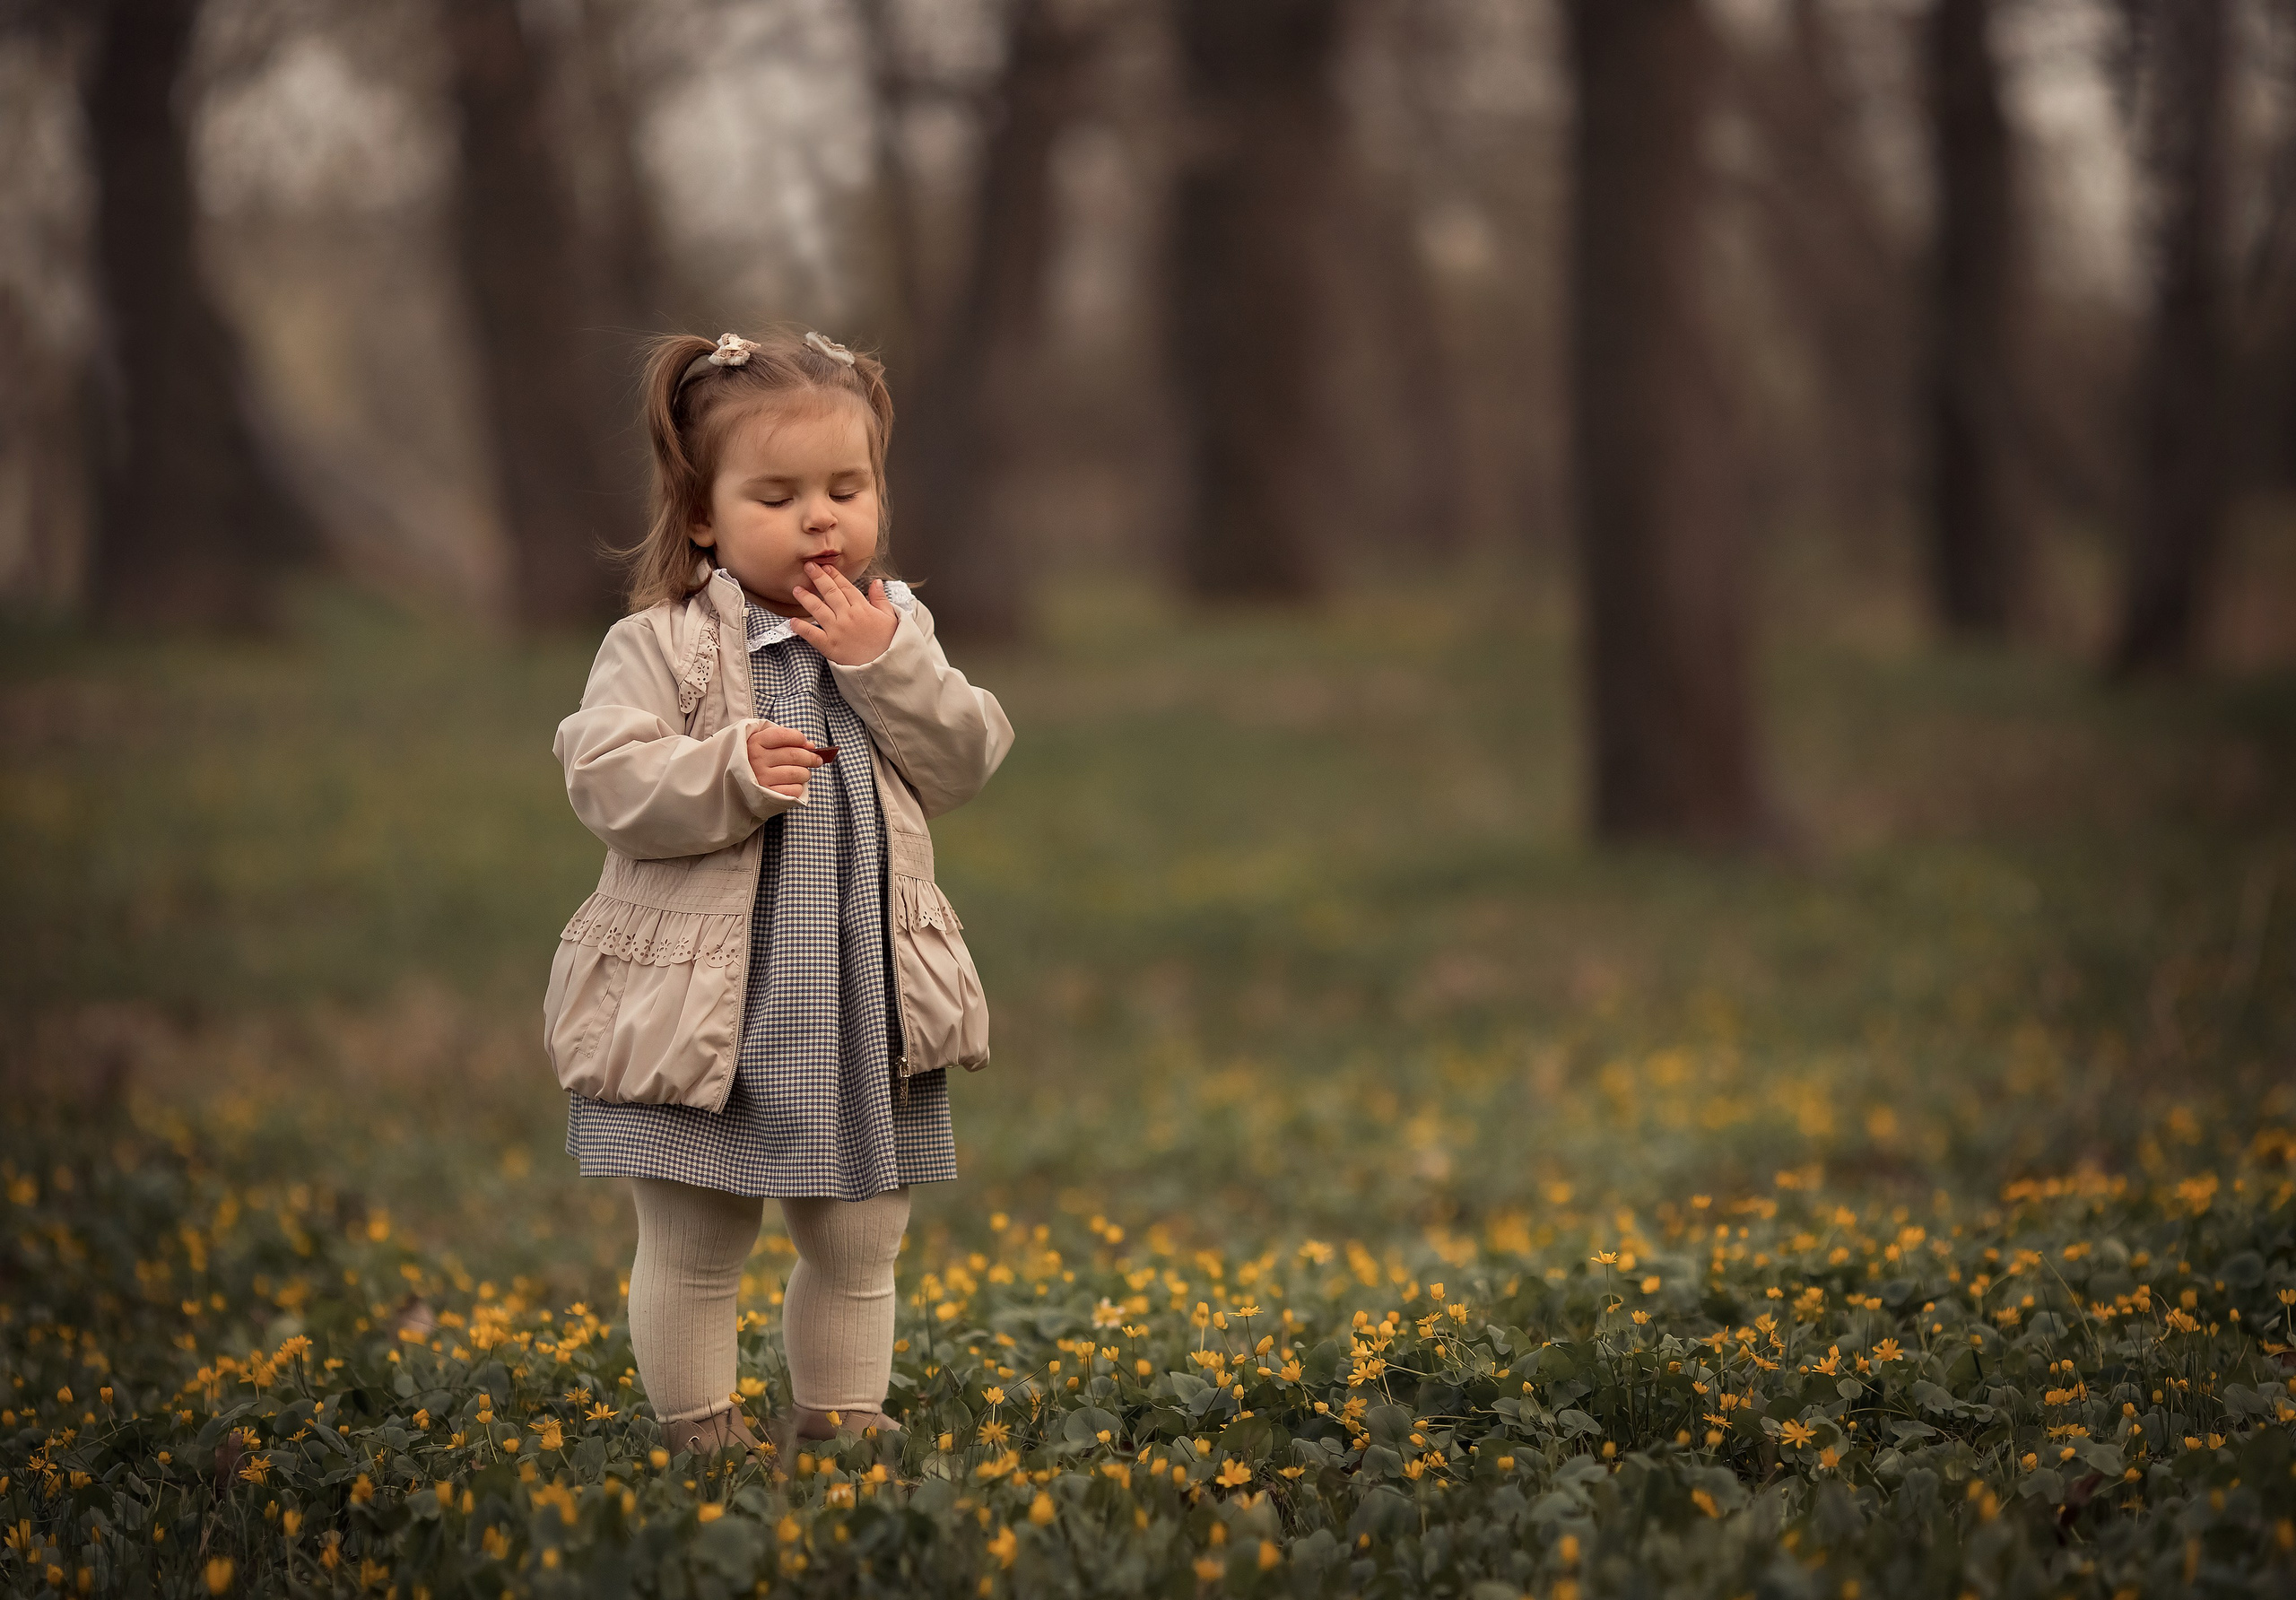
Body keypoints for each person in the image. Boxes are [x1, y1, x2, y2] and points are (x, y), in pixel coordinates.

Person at [541, 326, 1012, 1462]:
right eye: (778, 495)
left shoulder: (894, 630)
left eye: (847, 488)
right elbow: (602, 777)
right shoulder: (660, 643)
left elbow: (965, 758)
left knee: (860, 1236)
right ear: (702, 513)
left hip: (857, 1000)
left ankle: (843, 1419)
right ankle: (700, 1431)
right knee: (696, 1236)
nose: (820, 520)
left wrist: (882, 659)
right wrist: (726, 770)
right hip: (706, 1007)